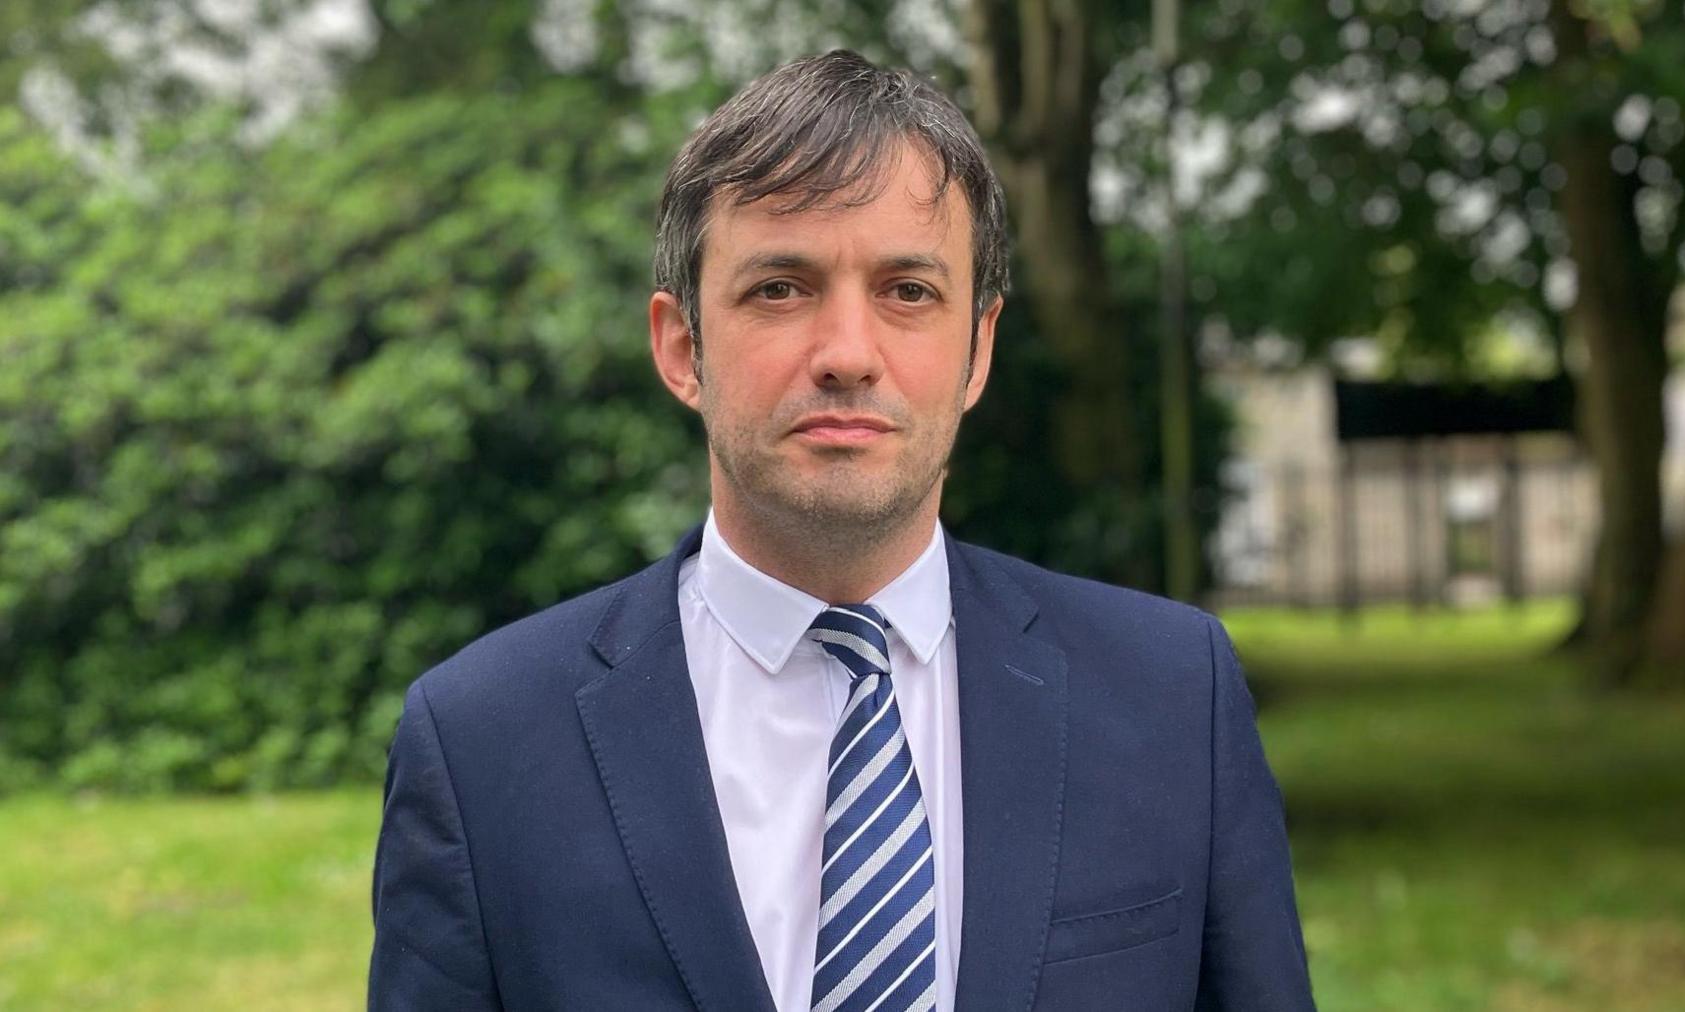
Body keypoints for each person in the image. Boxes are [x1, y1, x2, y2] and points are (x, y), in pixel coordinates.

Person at [369, 49, 1313, 1012]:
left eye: (909, 291)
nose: (849, 355)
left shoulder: (1170, 695)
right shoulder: (483, 746)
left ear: (979, 350)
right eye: (780, 288)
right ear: (681, 347)